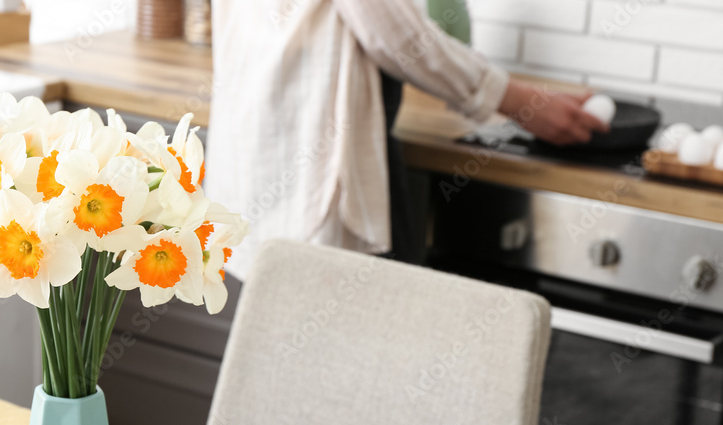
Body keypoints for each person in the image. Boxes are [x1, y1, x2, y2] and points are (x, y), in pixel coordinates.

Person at [205, 0, 607, 276]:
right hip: (319, 162)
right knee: (357, 367)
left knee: (281, 360)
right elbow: (393, 33)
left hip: (259, 146)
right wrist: (517, 99)